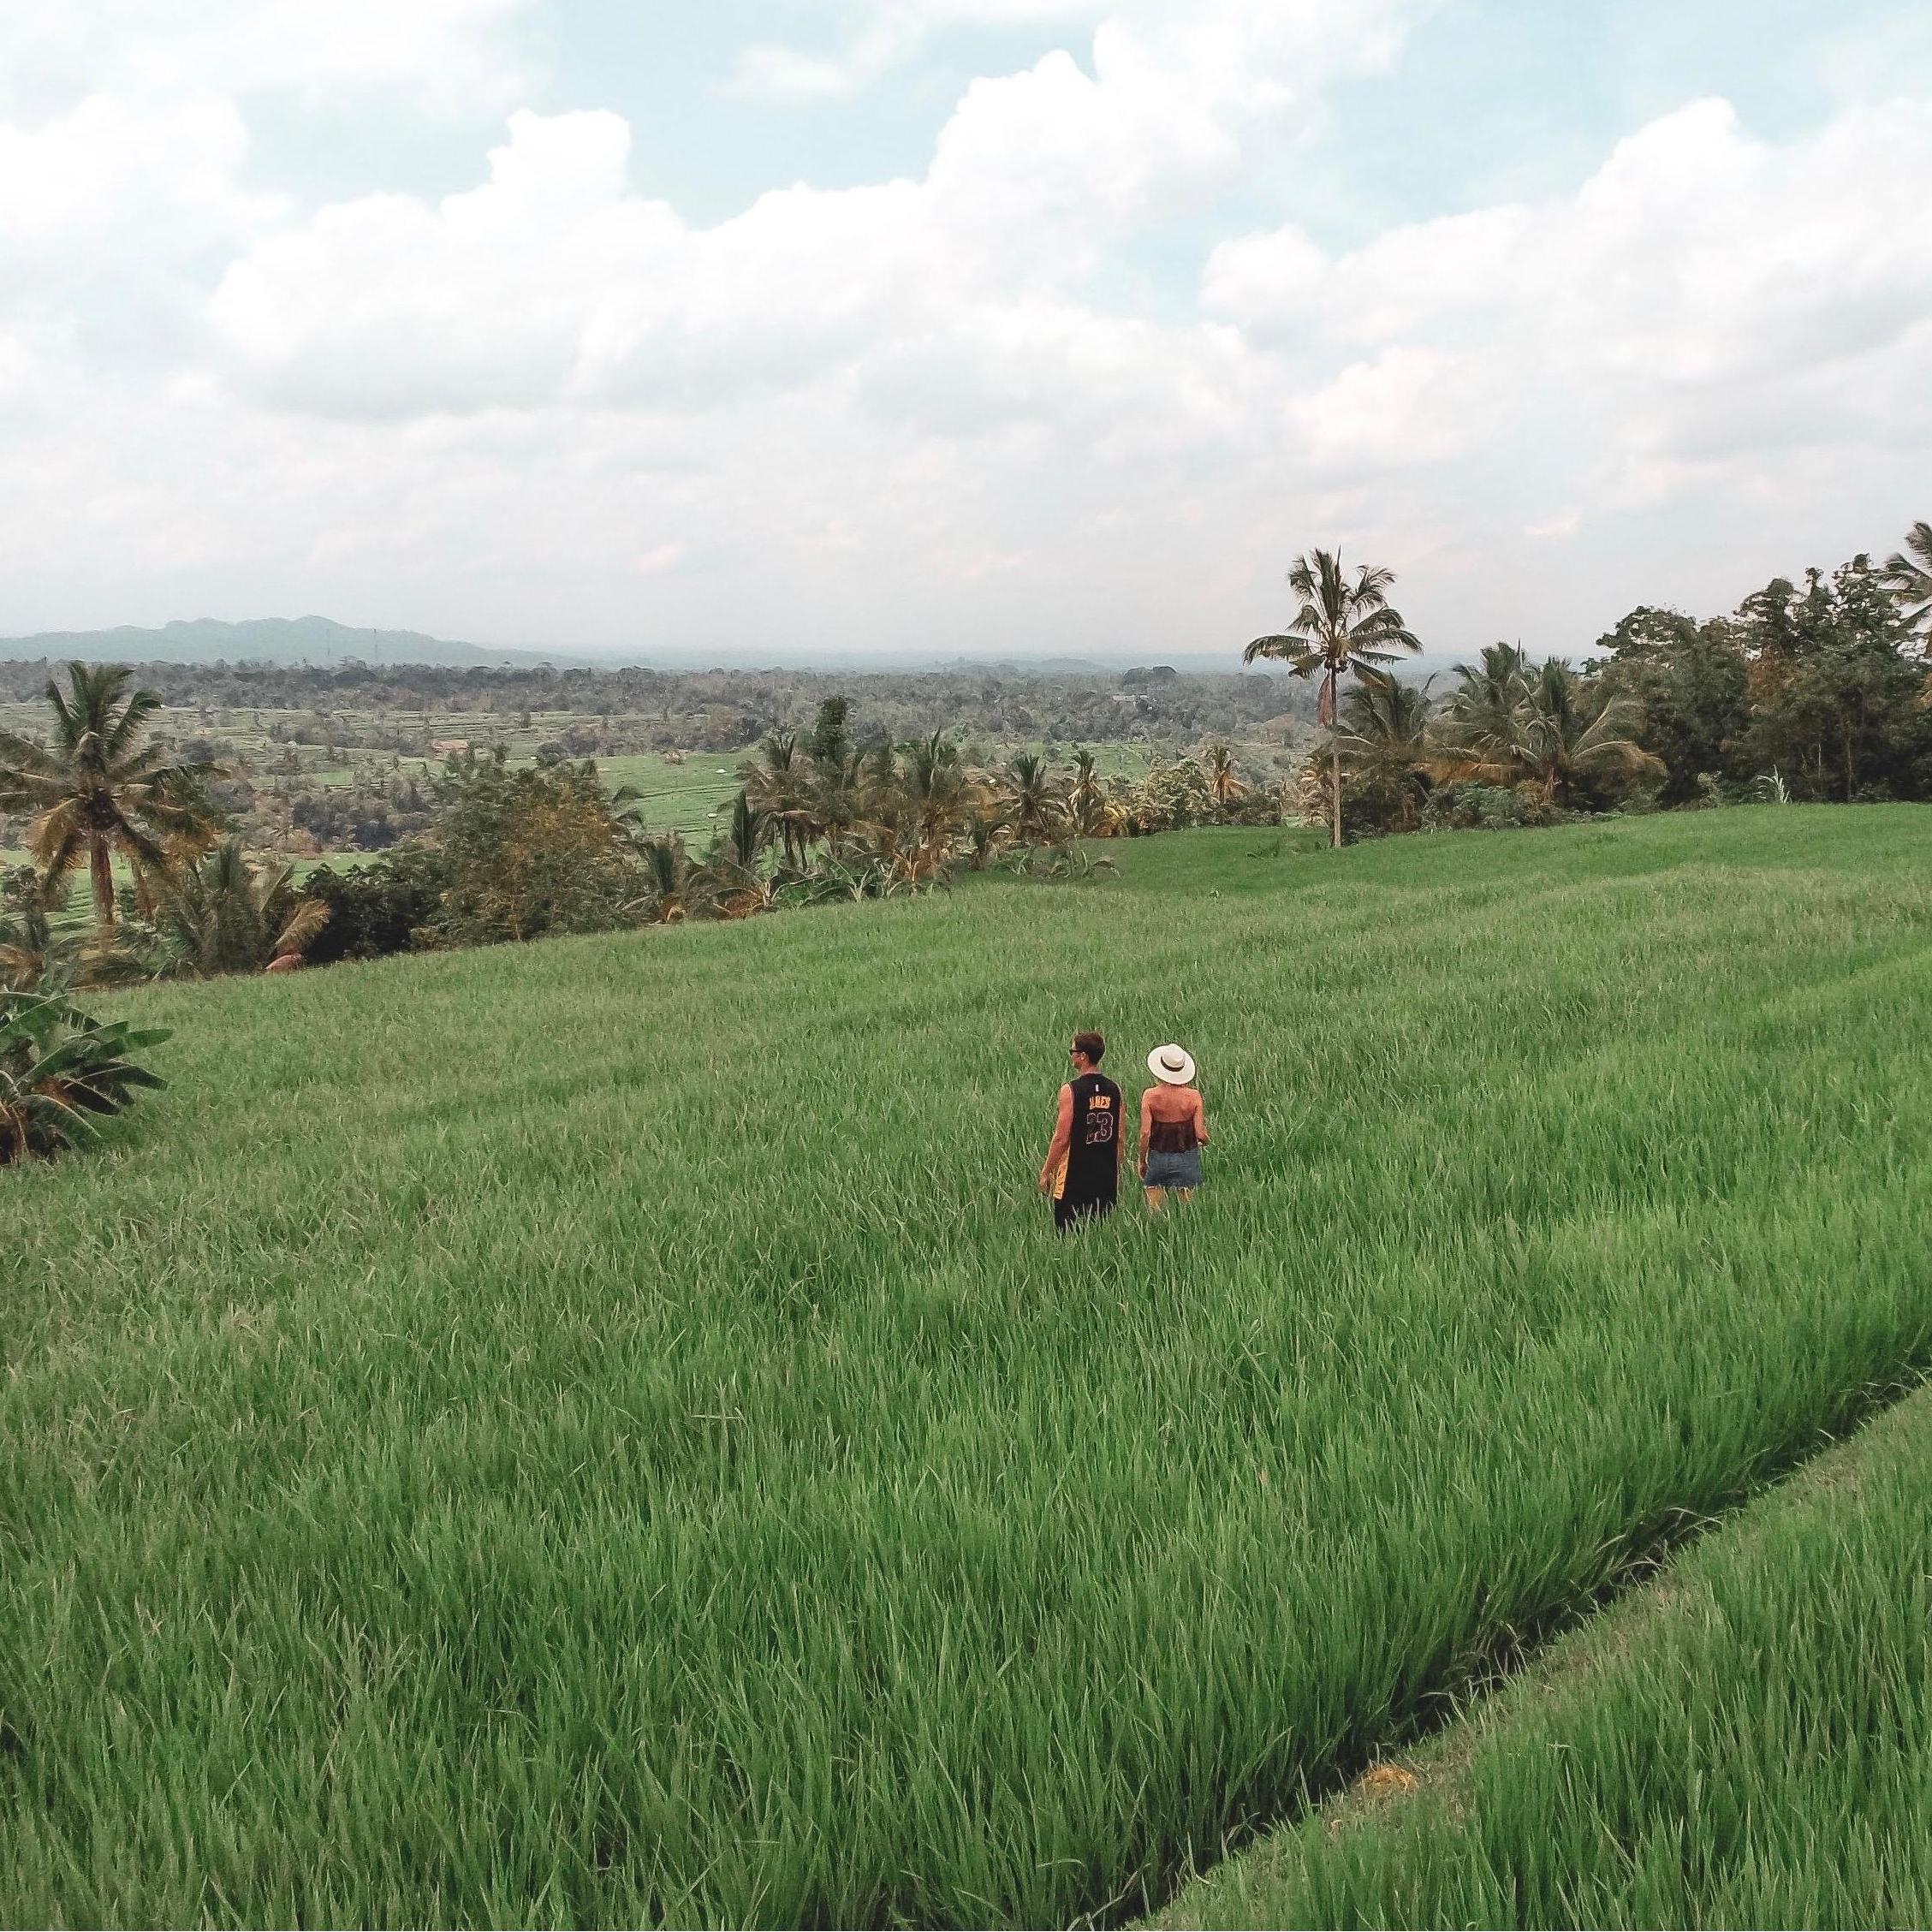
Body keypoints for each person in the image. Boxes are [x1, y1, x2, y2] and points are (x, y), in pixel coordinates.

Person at [1038, 1031, 1123, 1232]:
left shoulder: (1070, 1090)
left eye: (1073, 1051)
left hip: (1074, 1175)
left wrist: (1047, 1171)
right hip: (1105, 1175)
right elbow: (1120, 1136)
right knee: (1101, 1234)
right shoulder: (1115, 1089)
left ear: (1083, 1056)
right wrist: (1116, 1169)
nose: (1072, 1055)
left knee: (1066, 1235)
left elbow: (1061, 1137)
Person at [1139, 1043, 1208, 1210]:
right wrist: (1206, 1140)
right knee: (1189, 1214)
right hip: (1187, 1158)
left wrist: (1142, 1160)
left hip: (1158, 1157)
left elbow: (1145, 1133)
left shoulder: (1150, 1096)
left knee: (1154, 1214)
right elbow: (1200, 1133)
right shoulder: (1194, 1096)